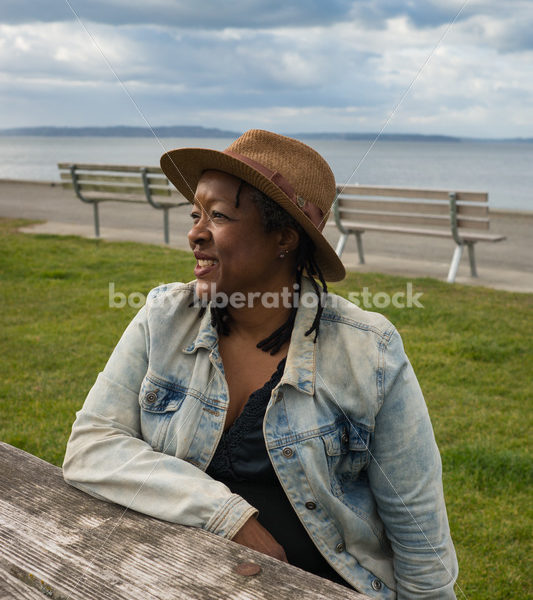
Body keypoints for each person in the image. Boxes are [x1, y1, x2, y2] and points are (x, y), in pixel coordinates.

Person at [63, 129, 458, 598]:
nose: (195, 233)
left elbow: (418, 534)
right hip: (167, 575)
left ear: (284, 238)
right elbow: (92, 445)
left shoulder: (368, 351)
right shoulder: (164, 317)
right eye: (196, 214)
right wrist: (229, 517)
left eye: (219, 216)